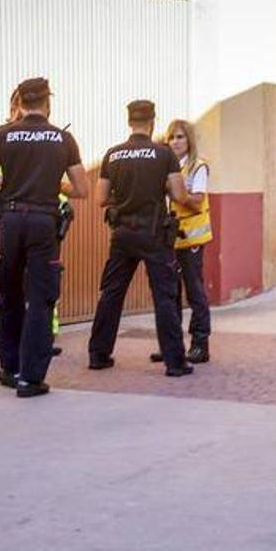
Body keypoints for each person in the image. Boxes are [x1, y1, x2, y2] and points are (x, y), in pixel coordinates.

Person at [0, 77, 89, 397]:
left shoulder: (3, 134)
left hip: (10, 222)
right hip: (43, 222)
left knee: (9, 295)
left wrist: (10, 181)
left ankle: (8, 368)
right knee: (41, 298)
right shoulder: (63, 139)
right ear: (47, 103)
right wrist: (51, 182)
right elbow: (82, 189)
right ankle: (30, 378)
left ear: (20, 102)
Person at [87, 100, 193, 376]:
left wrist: (123, 200)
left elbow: (100, 198)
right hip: (154, 233)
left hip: (122, 234)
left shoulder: (113, 155)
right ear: (152, 121)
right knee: (165, 297)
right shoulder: (163, 154)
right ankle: (175, 362)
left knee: (111, 294)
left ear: (129, 122)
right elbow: (179, 194)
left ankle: (98, 354)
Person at [150, 119, 212, 364]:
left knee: (195, 291)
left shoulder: (198, 167)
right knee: (170, 292)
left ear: (189, 140)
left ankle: (200, 344)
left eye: (180, 137)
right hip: (168, 239)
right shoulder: (166, 167)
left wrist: (175, 190)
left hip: (191, 238)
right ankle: (172, 345)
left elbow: (196, 200)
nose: (175, 142)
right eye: (171, 137)